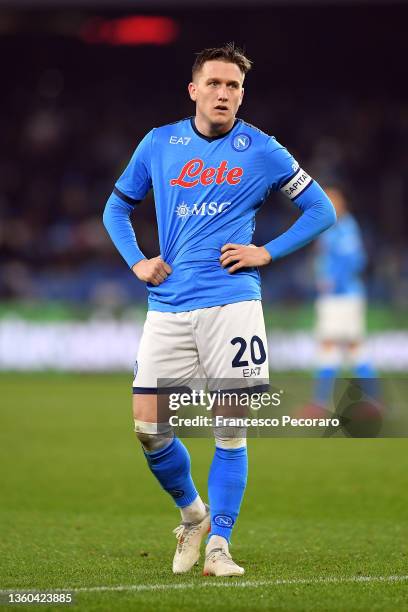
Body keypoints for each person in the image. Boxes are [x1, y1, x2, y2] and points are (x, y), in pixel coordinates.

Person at [103, 43, 336, 577]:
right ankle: (193, 515)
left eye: (233, 86)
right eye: (214, 83)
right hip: (166, 306)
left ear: (241, 94)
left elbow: (320, 210)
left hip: (233, 305)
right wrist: (138, 261)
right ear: (194, 90)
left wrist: (267, 251)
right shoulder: (159, 144)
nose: (224, 93)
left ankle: (219, 546)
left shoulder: (263, 150)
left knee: (229, 430)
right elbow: (117, 206)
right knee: (148, 429)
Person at [311, 184, 377, 410]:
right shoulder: (331, 227)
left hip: (342, 297)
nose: (329, 204)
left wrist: (333, 282)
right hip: (341, 297)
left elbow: (355, 261)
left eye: (333, 200)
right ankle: (372, 402)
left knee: (330, 346)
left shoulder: (346, 228)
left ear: (342, 203)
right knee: (354, 348)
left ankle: (320, 405)